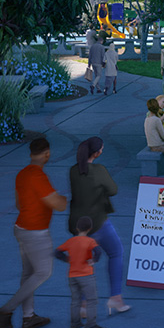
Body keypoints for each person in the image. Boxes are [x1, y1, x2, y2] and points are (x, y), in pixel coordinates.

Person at [0, 138, 68, 328]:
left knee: (28, 274)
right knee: (43, 272)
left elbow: (18, 204)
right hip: (36, 232)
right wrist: (63, 198)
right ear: (47, 154)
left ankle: (28, 317)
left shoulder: (22, 174)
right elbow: (58, 204)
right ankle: (6, 311)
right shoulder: (38, 177)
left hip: (21, 228)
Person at [69, 136, 129, 318]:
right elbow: (113, 189)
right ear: (97, 153)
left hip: (76, 225)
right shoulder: (99, 170)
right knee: (116, 252)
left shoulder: (73, 171)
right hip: (96, 223)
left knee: (84, 261)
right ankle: (115, 298)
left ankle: (84, 304)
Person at [53, 215, 106, 328]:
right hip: (86, 275)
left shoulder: (71, 241)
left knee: (75, 301)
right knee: (91, 300)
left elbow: (57, 252)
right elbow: (98, 251)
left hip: (72, 275)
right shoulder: (90, 241)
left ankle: (75, 326)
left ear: (77, 228)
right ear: (89, 228)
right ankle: (91, 326)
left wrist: (67, 259)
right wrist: (93, 260)